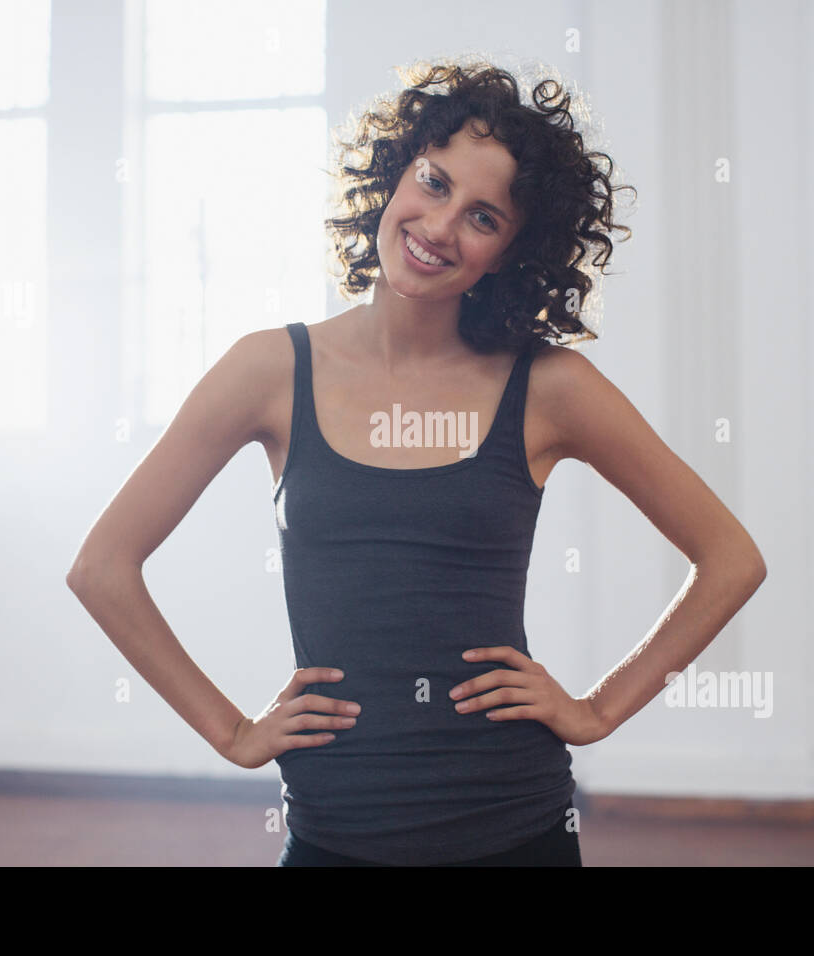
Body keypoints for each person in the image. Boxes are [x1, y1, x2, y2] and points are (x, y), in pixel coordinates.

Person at [66, 59, 767, 867]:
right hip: (333, 832)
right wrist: (231, 731)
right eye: (433, 184)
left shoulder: (550, 387)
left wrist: (596, 711)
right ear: (396, 173)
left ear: (510, 252)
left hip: (516, 826)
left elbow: (730, 559)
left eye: (482, 218)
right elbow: (102, 568)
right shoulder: (268, 371)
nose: (438, 227)